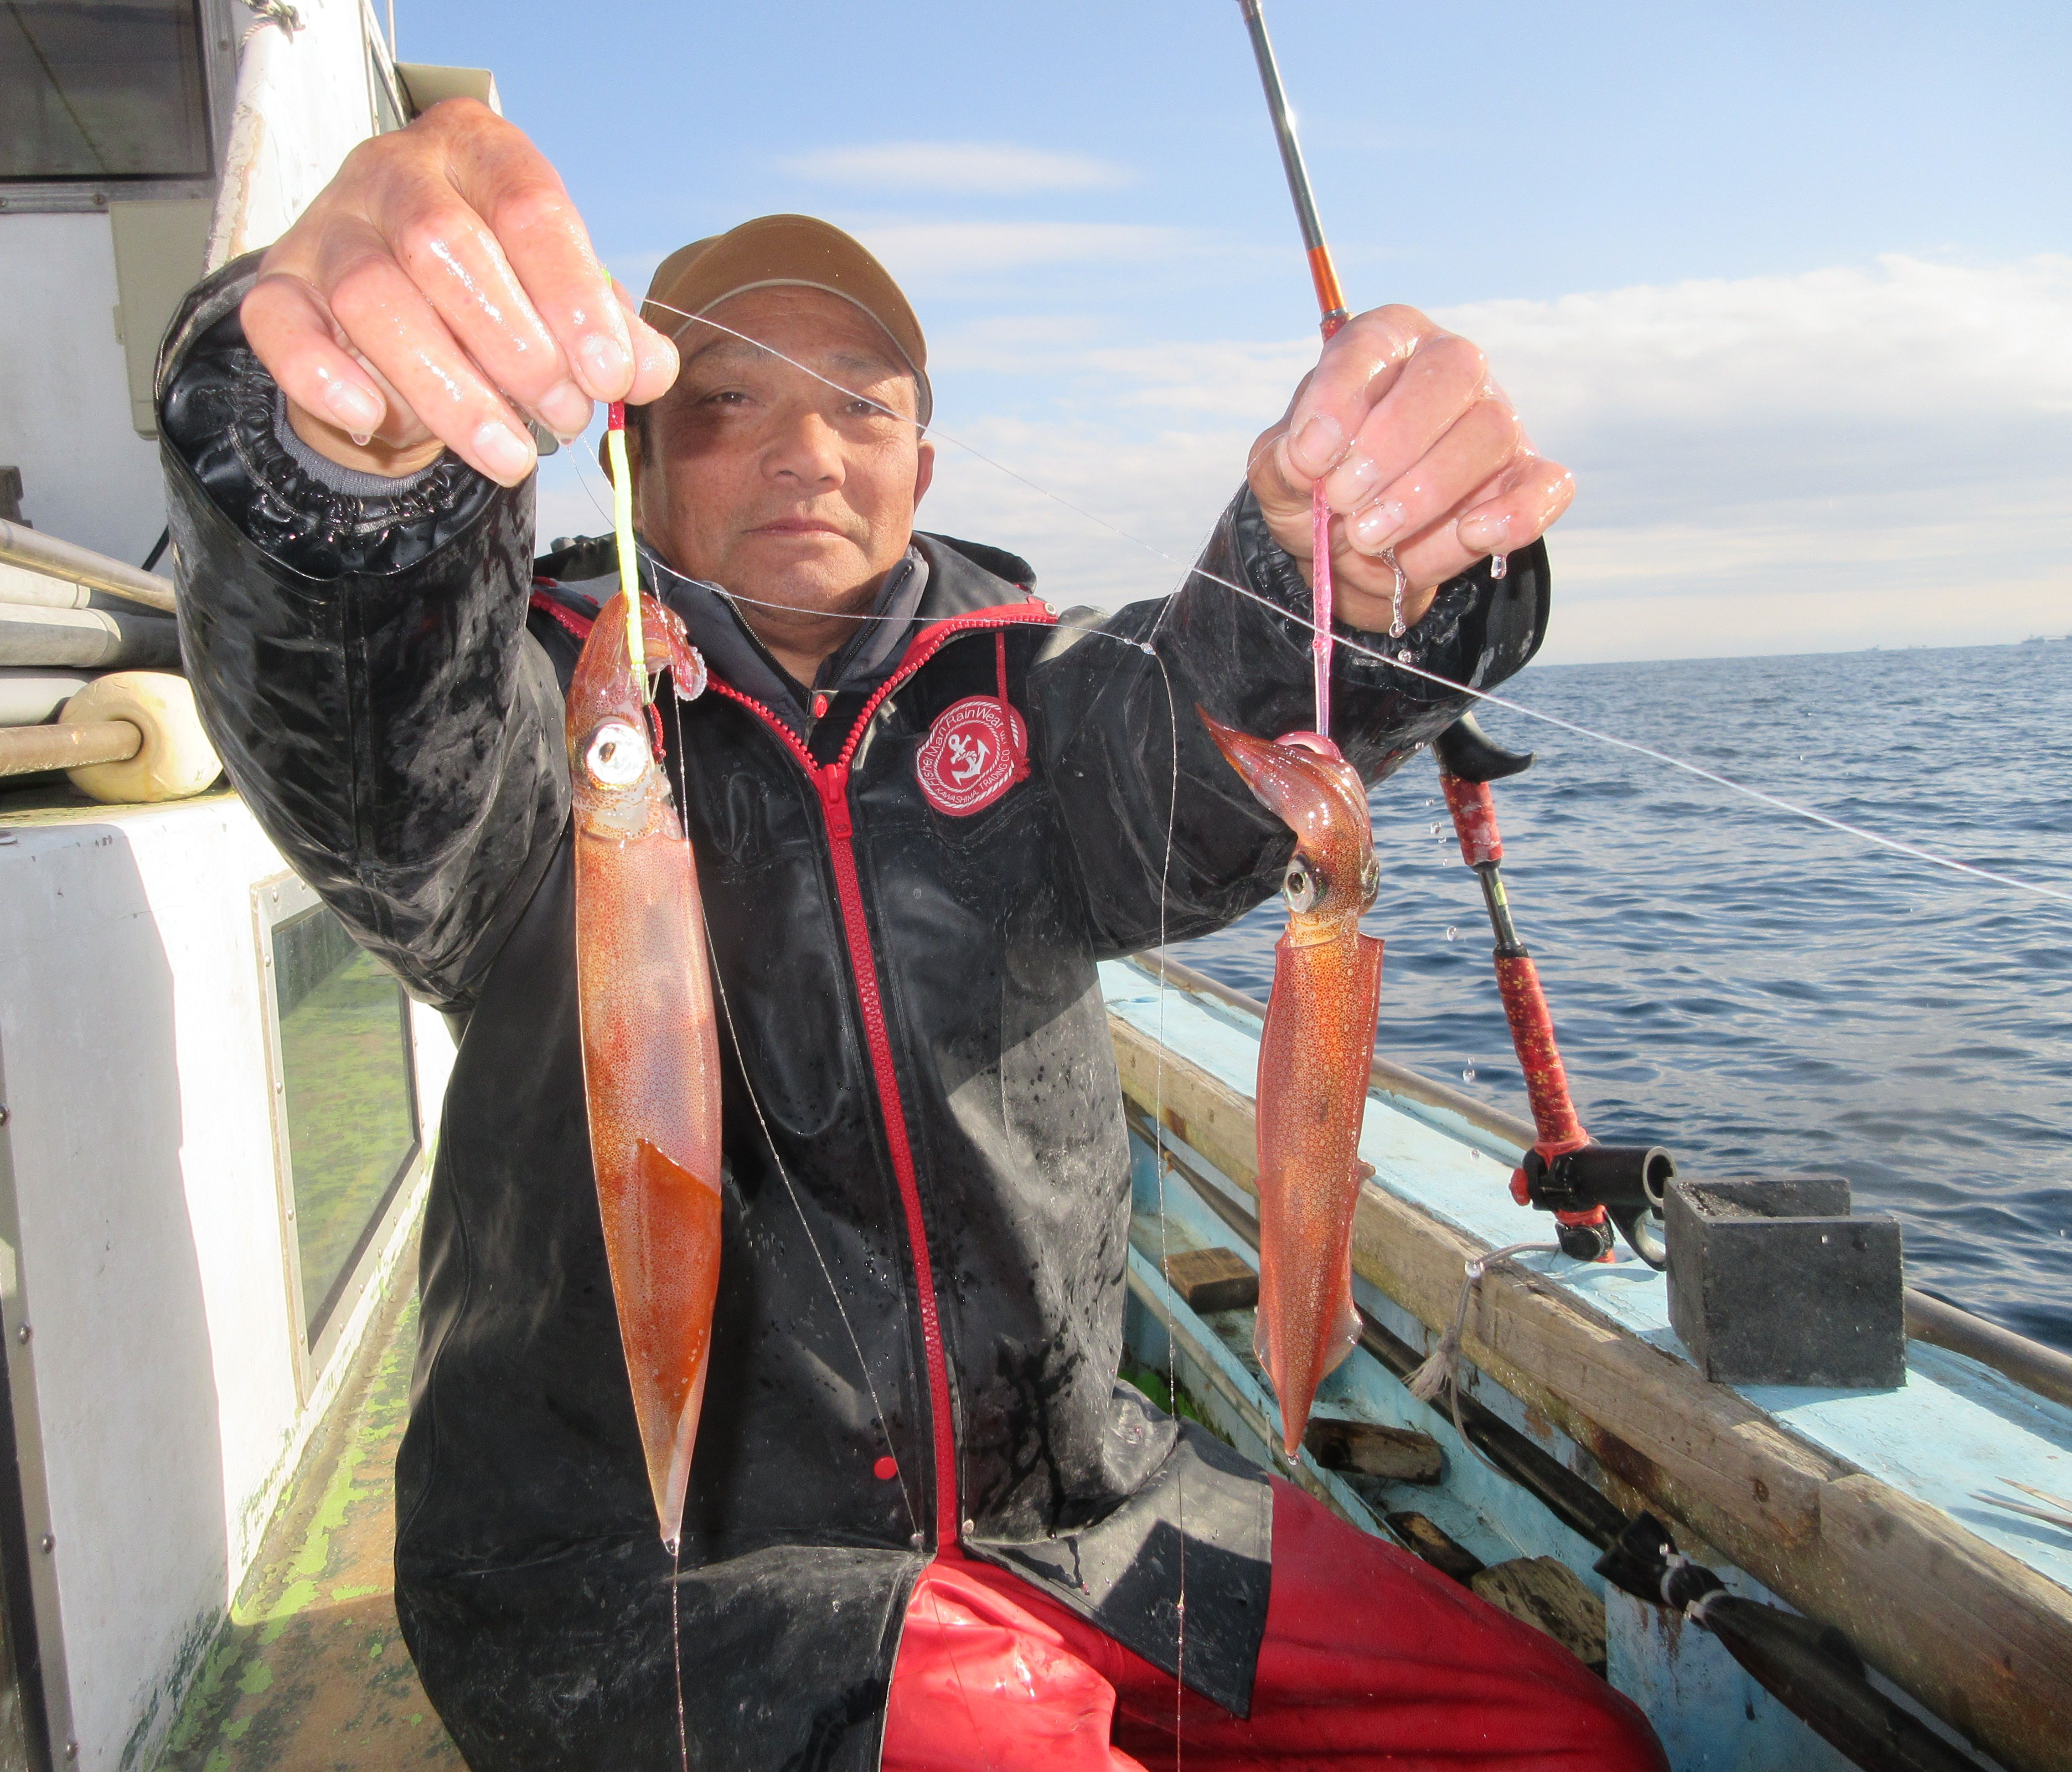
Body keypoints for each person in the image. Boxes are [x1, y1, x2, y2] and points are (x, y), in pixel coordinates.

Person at [156, 98, 1661, 1772]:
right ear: (633, 460)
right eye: (729, 402)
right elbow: (373, 726)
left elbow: (1195, 742)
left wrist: (1362, 586)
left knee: (1574, 1747)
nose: (808, 451)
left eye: (861, 405)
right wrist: (340, 472)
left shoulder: (1040, 701)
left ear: (922, 468)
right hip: (653, 1584)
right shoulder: (539, 727)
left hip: (1083, 1514)